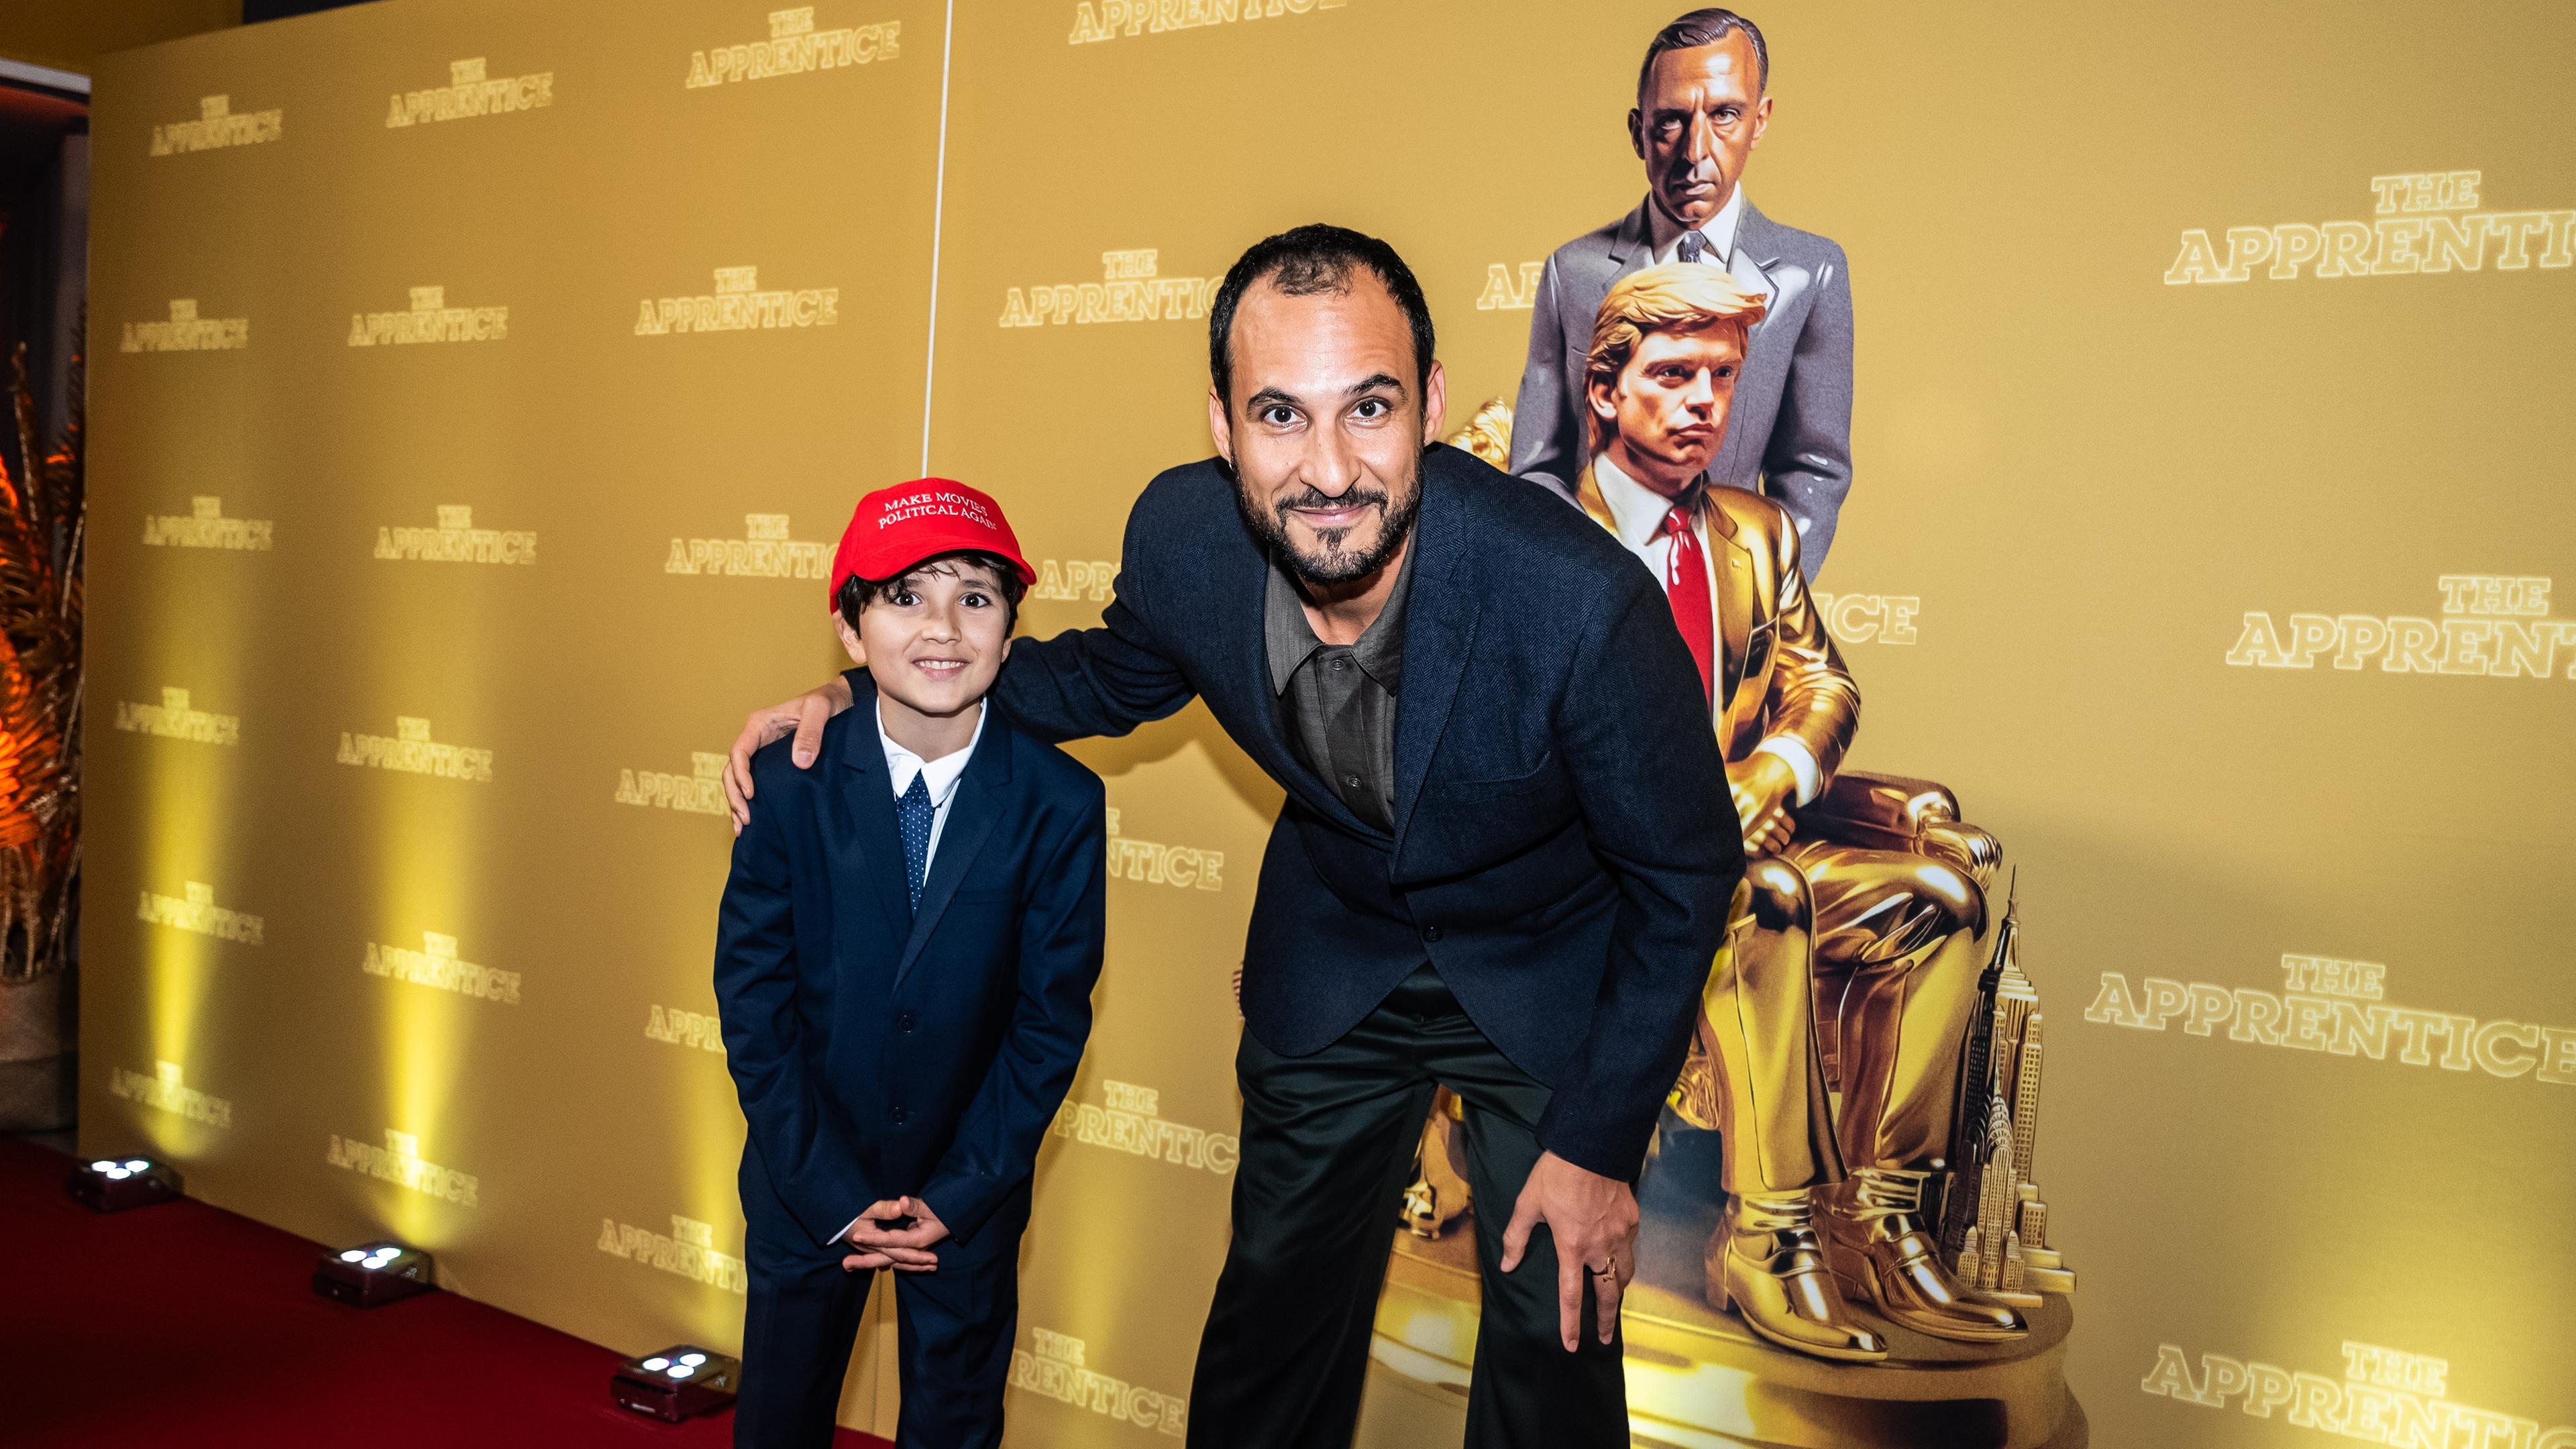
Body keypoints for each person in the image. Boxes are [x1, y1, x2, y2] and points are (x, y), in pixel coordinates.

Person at [726, 225, 1744, 1449]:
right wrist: (866, 696)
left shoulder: (1579, 604)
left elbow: (1686, 870)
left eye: (1367, 407)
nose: (1327, 469)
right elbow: (1103, 679)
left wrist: (1595, 1146)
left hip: (1546, 971)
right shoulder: (1187, 541)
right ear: (1223, 428)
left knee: (1554, 1328)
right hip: (1341, 950)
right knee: (1276, 1310)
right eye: (1278, 414)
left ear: (1427, 403)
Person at [1571, 262, 2022, 1360]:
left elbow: (1825, 689)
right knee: (1763, 897)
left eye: (1722, 379)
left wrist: (1768, 779)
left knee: (1943, 900)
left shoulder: (1753, 534)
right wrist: (1681, 818)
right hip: (1592, 873)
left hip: (1745, 831)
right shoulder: (1543, 532)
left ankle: (1884, 1221)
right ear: (1604, 389)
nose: (1701, 404)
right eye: (1673, 375)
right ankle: (1766, 1239)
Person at [713, 479, 1108, 1448]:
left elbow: (1049, 1019)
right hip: (807, 1181)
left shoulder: (1061, 803)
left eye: (975, 597)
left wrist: (960, 1193)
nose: (942, 627)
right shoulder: (789, 784)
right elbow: (753, 1004)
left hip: (965, 1195)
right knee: (780, 1418)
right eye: (904, 597)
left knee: (955, 1423)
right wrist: (830, 1193)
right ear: (851, 632)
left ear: (1012, 629)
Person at [1510, 7, 1855, 576]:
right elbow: (1537, 467)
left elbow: (1815, 470)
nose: (1695, 151)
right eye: (1670, 121)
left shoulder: (1810, 274)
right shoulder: (1570, 273)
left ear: (1760, 120)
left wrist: (1758, 606)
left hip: (1731, 613)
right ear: (1637, 131)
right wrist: (1572, 595)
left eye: (1725, 115)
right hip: (1591, 613)